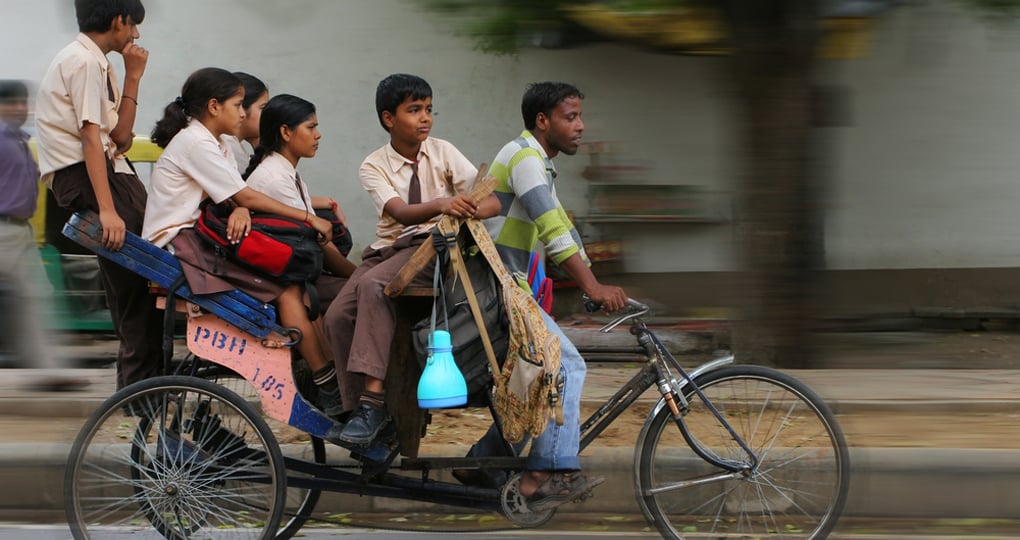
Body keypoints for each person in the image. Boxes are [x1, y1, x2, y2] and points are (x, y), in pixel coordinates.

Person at [457, 82, 628, 511]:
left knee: (529, 378)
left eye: (579, 117)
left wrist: (594, 283)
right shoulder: (526, 158)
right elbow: (551, 231)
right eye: (570, 117)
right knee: (565, 363)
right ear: (542, 121)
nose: (580, 126)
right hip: (496, 289)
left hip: (509, 287)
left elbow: (563, 227)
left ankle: (482, 462)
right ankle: (541, 475)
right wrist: (592, 286)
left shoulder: (537, 162)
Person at [142, 67, 343, 418]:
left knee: (290, 282)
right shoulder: (197, 142)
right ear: (214, 106)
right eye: (238, 105)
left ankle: (322, 373)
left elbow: (237, 197)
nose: (244, 112)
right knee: (285, 289)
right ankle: (325, 382)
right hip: (180, 245)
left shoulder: (214, 143)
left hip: (201, 235)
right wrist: (308, 218)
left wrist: (241, 208)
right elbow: (245, 196)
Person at [324, 73, 499, 445]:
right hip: (392, 249)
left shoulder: (443, 151)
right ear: (389, 118)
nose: (425, 118)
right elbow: (401, 213)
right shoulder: (373, 165)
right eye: (414, 110)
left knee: (375, 285)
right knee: (338, 315)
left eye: (429, 110)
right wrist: (442, 202)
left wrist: (469, 210)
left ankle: (372, 403)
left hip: (434, 250)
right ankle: (359, 410)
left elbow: (494, 199)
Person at [35, 0, 163, 390]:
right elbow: (91, 139)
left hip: (110, 175)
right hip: (91, 180)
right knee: (139, 294)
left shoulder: (99, 63)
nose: (136, 35)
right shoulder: (83, 62)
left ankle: (144, 394)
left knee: (144, 288)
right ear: (118, 20)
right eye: (133, 25)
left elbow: (119, 139)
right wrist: (107, 210)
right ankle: (141, 399)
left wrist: (134, 77)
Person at [0, 80, 89, 390]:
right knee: (31, 298)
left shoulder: (19, 140)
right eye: (11, 103)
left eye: (23, 103)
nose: (20, 109)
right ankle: (47, 369)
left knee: (35, 297)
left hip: (18, 231)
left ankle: (47, 370)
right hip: (2, 231)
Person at [244, 94, 356, 315]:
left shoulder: (285, 171)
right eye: (310, 127)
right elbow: (322, 247)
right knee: (361, 293)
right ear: (286, 132)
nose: (318, 134)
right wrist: (359, 274)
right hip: (282, 283)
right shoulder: (275, 178)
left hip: (296, 273)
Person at [222, 72, 268, 175]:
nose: (268, 115)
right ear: (241, 107)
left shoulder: (232, 143)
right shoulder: (228, 147)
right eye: (263, 108)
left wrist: (260, 146)